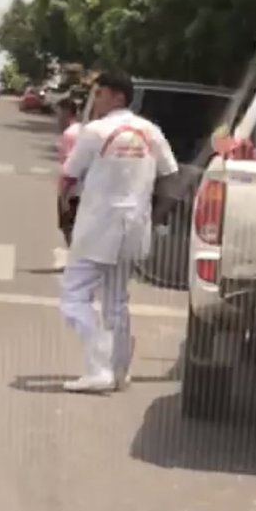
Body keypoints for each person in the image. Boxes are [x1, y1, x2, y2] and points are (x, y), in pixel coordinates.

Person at [60, 69, 178, 393]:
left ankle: (99, 366)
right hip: (134, 227)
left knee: (73, 297)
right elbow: (171, 174)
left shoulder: (96, 131)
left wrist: (63, 205)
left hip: (98, 225)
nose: (94, 100)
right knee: (116, 301)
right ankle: (119, 369)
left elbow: (69, 174)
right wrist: (155, 215)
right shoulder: (150, 131)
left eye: (99, 94)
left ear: (118, 96)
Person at [56, 97, 81, 247]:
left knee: (68, 226)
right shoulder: (82, 130)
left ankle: (75, 260)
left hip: (71, 189)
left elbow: (72, 166)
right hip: (82, 189)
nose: (57, 119)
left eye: (59, 114)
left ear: (67, 113)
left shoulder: (69, 135)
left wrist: (64, 193)